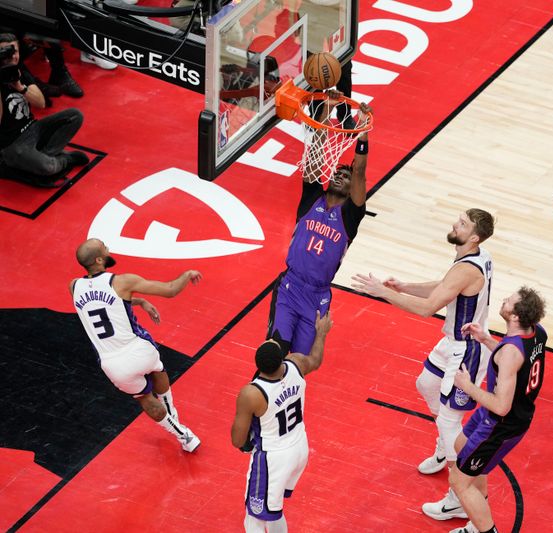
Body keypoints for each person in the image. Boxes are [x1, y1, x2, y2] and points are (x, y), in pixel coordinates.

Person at [351, 209, 495, 520]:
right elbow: (444, 286)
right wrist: (403, 286)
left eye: (462, 224)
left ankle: (458, 496)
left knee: (449, 422)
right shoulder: (475, 256)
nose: (454, 224)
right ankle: (446, 447)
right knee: (426, 383)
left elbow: (429, 308)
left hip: (466, 350)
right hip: (453, 342)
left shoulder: (467, 268)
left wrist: (384, 293)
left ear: (473, 237)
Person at [70, 238, 203, 452]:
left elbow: (101, 306)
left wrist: (138, 302)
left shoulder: (74, 286)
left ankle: (183, 435)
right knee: (158, 369)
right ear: (99, 258)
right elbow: (170, 290)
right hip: (140, 351)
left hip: (113, 364)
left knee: (144, 398)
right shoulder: (122, 282)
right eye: (104, 246)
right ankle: (173, 414)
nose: (108, 248)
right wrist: (186, 275)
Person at [266, 94, 371, 355]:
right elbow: (315, 154)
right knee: (275, 353)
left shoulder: (350, 215)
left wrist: (363, 132)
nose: (340, 176)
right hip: (290, 287)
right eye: (337, 172)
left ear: (350, 189)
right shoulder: (312, 197)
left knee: (300, 361)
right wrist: (324, 113)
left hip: (318, 296)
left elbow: (359, 172)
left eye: (345, 177)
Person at [448, 287, 547, 533]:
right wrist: (486, 339)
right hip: (495, 414)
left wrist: (468, 386)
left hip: (501, 424)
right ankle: (473, 513)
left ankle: (483, 529)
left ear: (515, 317)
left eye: (509, 302)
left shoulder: (509, 353)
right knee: (461, 445)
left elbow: (502, 406)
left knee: (459, 481)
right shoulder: (537, 333)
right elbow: (514, 362)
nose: (504, 301)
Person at [231, 310, 334, 533]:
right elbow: (315, 360)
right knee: (274, 509)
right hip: (299, 448)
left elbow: (237, 440)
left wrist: (248, 437)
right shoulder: (296, 364)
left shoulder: (252, 393)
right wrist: (322, 333)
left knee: (254, 518)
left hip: (273, 458)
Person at [0, 33, 89, 187]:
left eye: (14, 51)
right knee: (48, 167)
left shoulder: (19, 71)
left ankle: (42, 157)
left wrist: (20, 87)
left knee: (75, 115)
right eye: (5, 53)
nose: (12, 57)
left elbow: (41, 103)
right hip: (11, 144)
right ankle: (64, 160)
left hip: (33, 128)